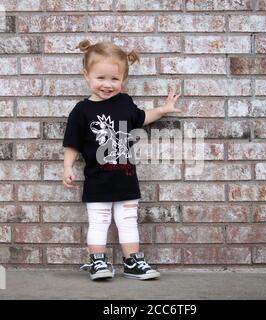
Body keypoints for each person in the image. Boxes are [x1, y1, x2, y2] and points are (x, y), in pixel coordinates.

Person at [62, 40, 181, 281]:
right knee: (99, 222)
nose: (107, 85)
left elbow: (141, 118)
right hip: (97, 181)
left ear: (123, 80)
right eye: (101, 78)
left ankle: (132, 262)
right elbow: (72, 142)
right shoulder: (81, 111)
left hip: (126, 178)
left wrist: (163, 109)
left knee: (128, 221)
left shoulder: (125, 103)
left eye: (115, 79)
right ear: (86, 75)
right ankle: (97, 261)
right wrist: (67, 167)